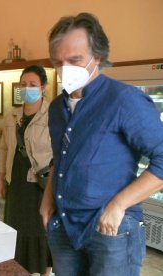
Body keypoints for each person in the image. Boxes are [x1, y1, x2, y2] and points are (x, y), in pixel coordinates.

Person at [39, 12, 163, 276]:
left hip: (110, 228)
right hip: (64, 225)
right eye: (57, 62)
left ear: (97, 57)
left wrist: (118, 205)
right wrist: (47, 198)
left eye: (75, 60)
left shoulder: (124, 100)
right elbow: (59, 158)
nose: (65, 70)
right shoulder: (56, 108)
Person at [0, 65, 53, 275]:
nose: (27, 88)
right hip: (17, 181)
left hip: (40, 184)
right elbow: (3, 148)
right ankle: (20, 269)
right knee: (16, 227)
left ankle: (45, 271)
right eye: (23, 84)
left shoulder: (52, 115)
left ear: (43, 87)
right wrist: (2, 179)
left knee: (40, 229)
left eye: (32, 85)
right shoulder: (12, 116)